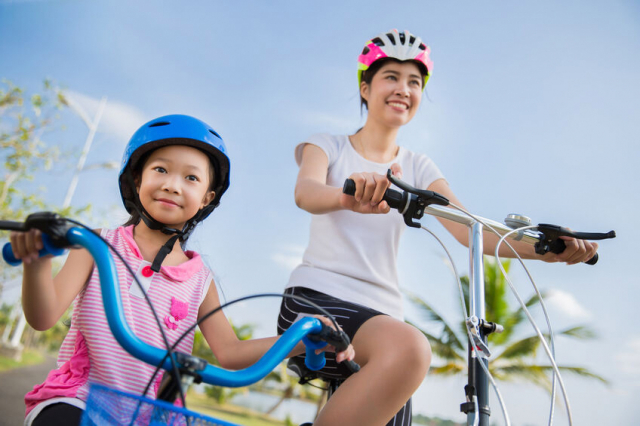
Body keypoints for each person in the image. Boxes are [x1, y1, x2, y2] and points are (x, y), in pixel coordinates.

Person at [277, 29, 598, 426]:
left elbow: (470, 230)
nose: (403, 89)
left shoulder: (418, 166)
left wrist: (551, 249)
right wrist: (347, 196)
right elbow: (306, 192)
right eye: (391, 77)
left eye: (414, 82)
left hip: (383, 319)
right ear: (365, 87)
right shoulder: (328, 144)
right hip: (317, 299)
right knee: (410, 350)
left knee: (397, 404)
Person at [11, 114, 354, 426]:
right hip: (80, 400)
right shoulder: (96, 244)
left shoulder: (199, 280)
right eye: (160, 169)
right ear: (136, 178)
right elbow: (42, 317)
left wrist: (297, 339)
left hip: (153, 416)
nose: (173, 185)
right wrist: (37, 262)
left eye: (191, 178)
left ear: (206, 197)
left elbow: (231, 353)